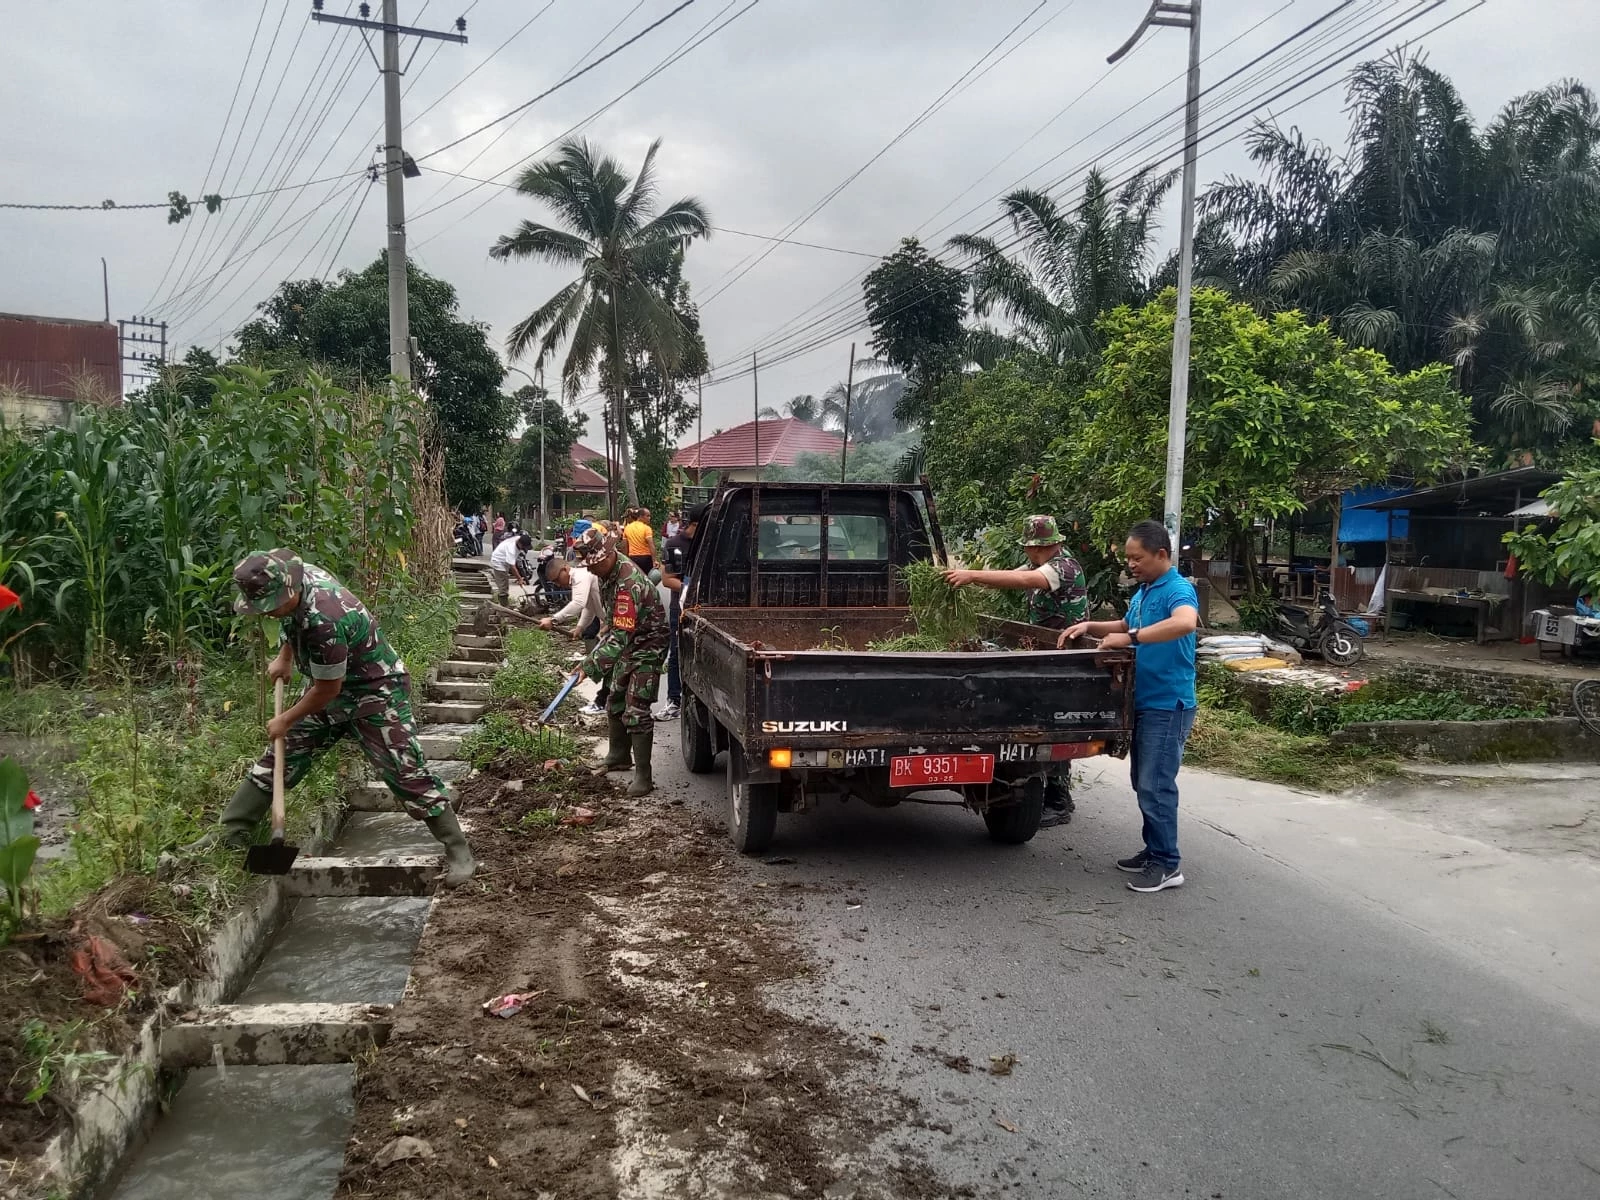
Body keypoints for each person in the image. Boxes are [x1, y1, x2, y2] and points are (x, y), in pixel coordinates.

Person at [190, 549, 475, 886]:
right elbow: (290, 618)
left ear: (289, 590)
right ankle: (232, 831)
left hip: (376, 690)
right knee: (284, 756)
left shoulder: (326, 617)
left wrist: (286, 720)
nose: (268, 614)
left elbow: (328, 689)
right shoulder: (295, 576)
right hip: (332, 685)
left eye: (272, 606)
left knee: (404, 770)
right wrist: (285, 655)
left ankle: (458, 849)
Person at [1058, 520, 1199, 894]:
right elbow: (1124, 623)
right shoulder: (1145, 591)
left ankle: (1168, 864)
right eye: (1128, 558)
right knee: (1143, 782)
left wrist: (1131, 637)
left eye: (1137, 558)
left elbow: (1184, 624)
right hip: (1141, 699)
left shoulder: (1177, 589)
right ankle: (1155, 850)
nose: (1131, 565)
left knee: (1155, 784)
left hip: (1168, 703)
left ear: (1162, 555)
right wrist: (1089, 626)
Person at [944, 514, 1088, 826]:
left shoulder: (1062, 567)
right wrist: (964, 578)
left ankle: (1059, 800)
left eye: (1030, 548)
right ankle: (1053, 794)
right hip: (1047, 653)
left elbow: (1023, 581)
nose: (1027, 553)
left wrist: (970, 576)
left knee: (1054, 727)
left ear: (1044, 546)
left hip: (1066, 658)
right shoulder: (1040, 565)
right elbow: (1010, 575)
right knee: (1042, 721)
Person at [572, 525, 669, 797]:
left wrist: (588, 666)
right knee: (614, 697)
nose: (590, 570)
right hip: (627, 639)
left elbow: (620, 639)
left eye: (593, 564)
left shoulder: (628, 583)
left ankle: (644, 776)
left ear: (606, 556)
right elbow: (616, 626)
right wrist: (606, 627)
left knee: (636, 708)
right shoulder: (607, 574)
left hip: (648, 645)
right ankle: (618, 755)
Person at [656, 502, 705, 721]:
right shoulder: (675, 544)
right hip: (682, 610)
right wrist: (694, 590)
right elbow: (667, 580)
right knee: (677, 653)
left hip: (707, 610)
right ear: (695, 524)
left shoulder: (708, 543)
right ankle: (674, 701)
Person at [489, 532, 533, 605]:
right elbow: (512, 566)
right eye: (523, 547)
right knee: (503, 587)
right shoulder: (511, 549)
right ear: (520, 544)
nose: (523, 549)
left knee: (505, 584)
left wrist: (519, 578)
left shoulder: (519, 538)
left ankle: (504, 604)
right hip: (498, 562)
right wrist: (519, 578)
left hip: (505, 561)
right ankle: (503, 607)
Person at [623, 507, 655, 574]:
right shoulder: (646, 528)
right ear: (641, 516)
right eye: (647, 516)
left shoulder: (627, 528)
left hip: (633, 558)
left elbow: (625, 546)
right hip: (646, 558)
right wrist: (654, 560)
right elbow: (651, 545)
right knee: (648, 579)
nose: (649, 518)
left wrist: (626, 559)